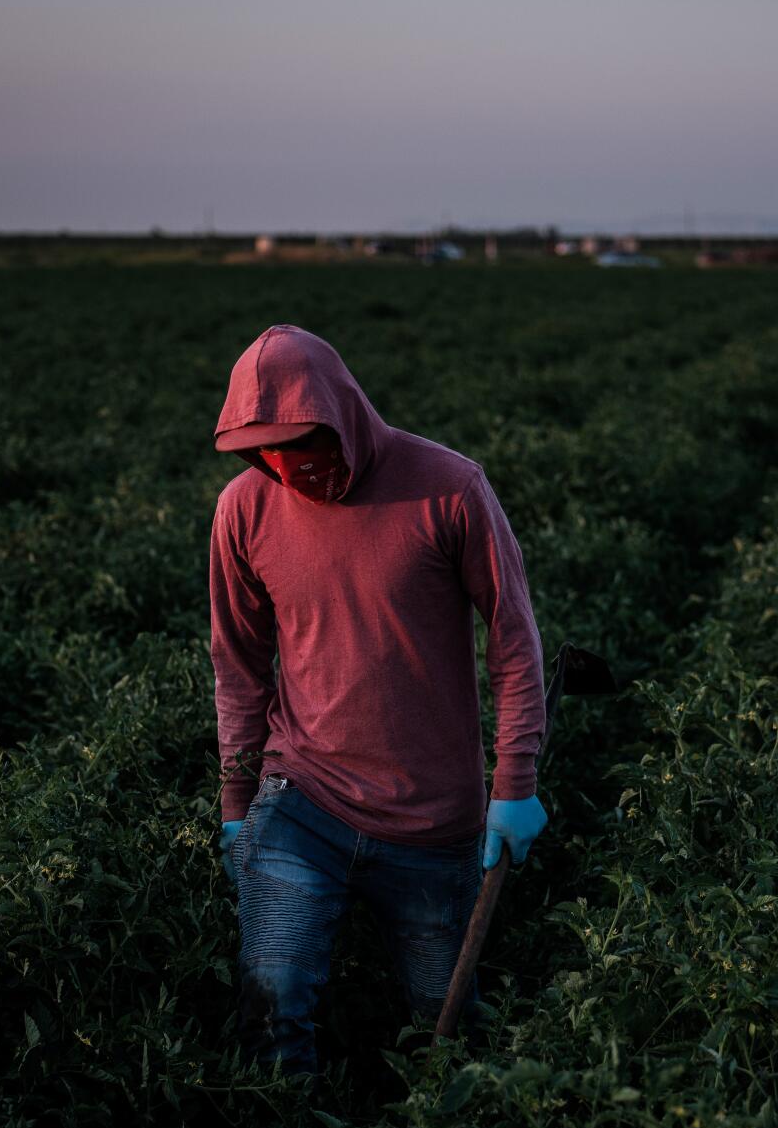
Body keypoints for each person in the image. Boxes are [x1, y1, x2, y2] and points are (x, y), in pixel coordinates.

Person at [208, 325, 548, 1074]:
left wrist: (514, 784)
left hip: (432, 821)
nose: (292, 468)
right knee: (273, 1004)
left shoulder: (450, 487)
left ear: (343, 414)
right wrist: (238, 802)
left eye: (307, 445)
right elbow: (237, 663)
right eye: (269, 451)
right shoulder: (243, 510)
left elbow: (513, 638)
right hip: (301, 801)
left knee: (448, 1027)